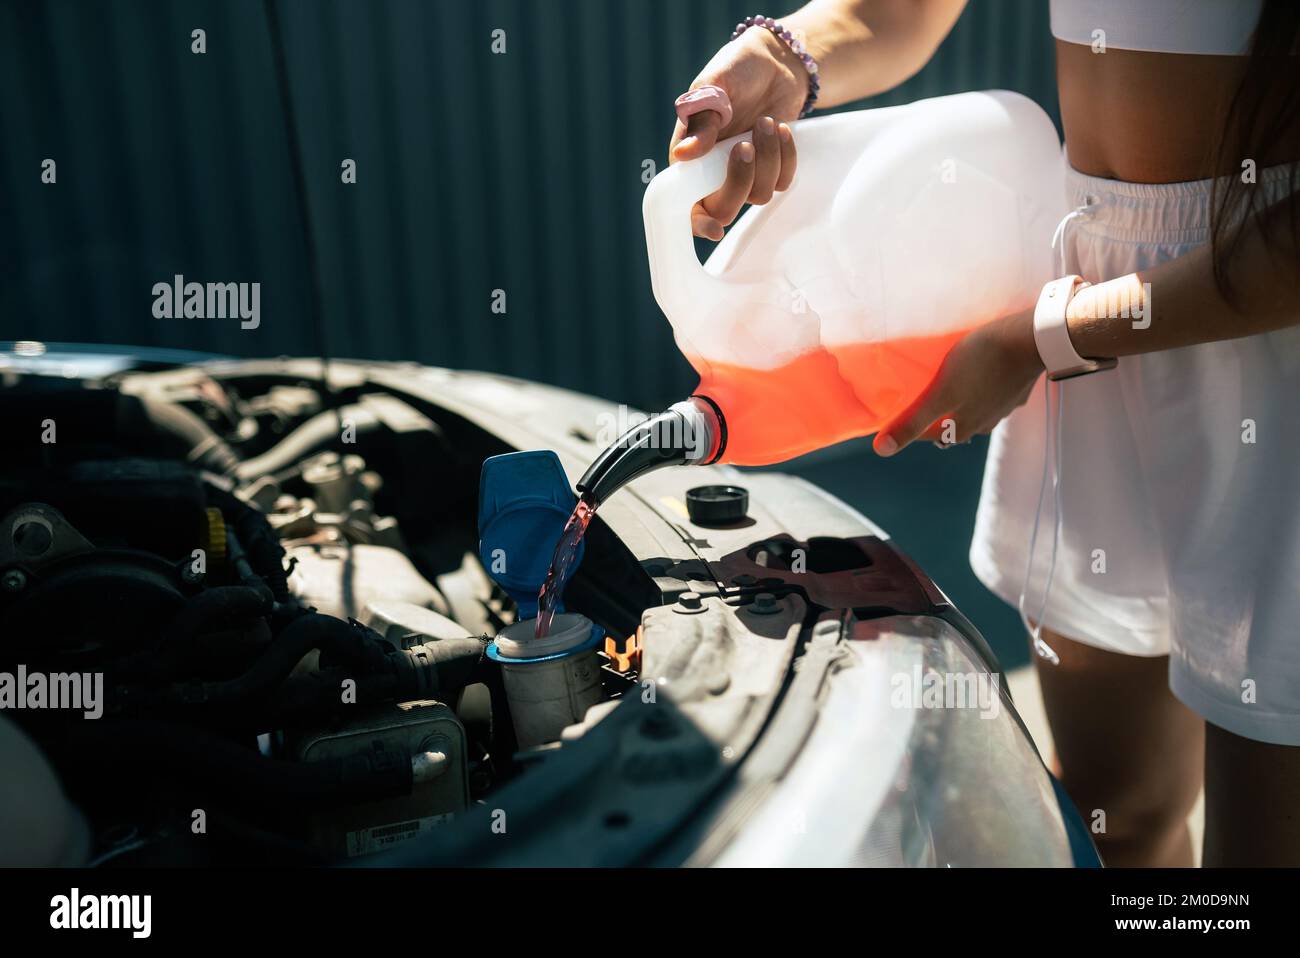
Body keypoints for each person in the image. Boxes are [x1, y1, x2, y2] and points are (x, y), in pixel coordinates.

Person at [669, 0, 1300, 867]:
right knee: (1118, 807)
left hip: (1263, 358)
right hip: (1085, 315)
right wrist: (777, 60)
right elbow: (890, 13)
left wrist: (1052, 335)